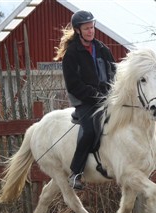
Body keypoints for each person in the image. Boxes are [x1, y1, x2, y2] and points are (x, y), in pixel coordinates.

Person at [54, 10, 116, 190]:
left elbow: (114, 73)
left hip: (107, 98)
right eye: (87, 28)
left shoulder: (103, 49)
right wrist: (95, 95)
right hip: (85, 102)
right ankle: (76, 172)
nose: (91, 31)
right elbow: (73, 85)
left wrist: (111, 91)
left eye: (92, 27)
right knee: (89, 130)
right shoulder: (71, 54)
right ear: (78, 30)